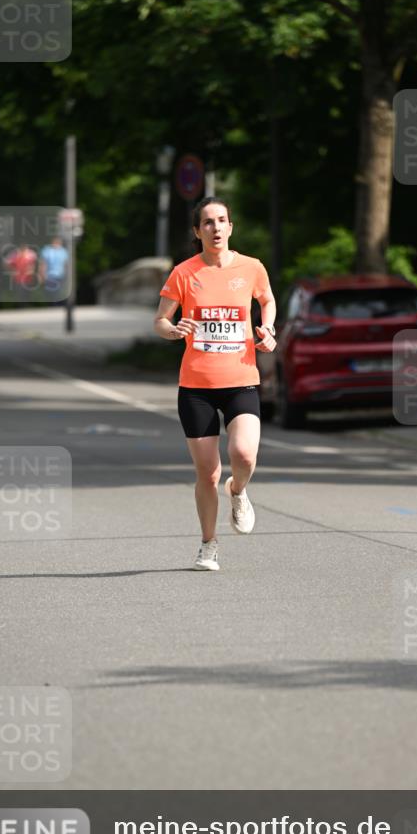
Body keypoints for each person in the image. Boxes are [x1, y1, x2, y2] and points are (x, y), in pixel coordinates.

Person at [154, 197, 277, 571]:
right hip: (197, 386)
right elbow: (160, 320)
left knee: (244, 454)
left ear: (231, 227)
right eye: (208, 222)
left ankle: (237, 490)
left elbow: (267, 300)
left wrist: (268, 328)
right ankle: (208, 545)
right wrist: (173, 330)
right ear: (198, 231)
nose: (216, 227)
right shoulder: (184, 272)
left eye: (222, 220)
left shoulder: (251, 267)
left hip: (241, 379)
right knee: (207, 473)